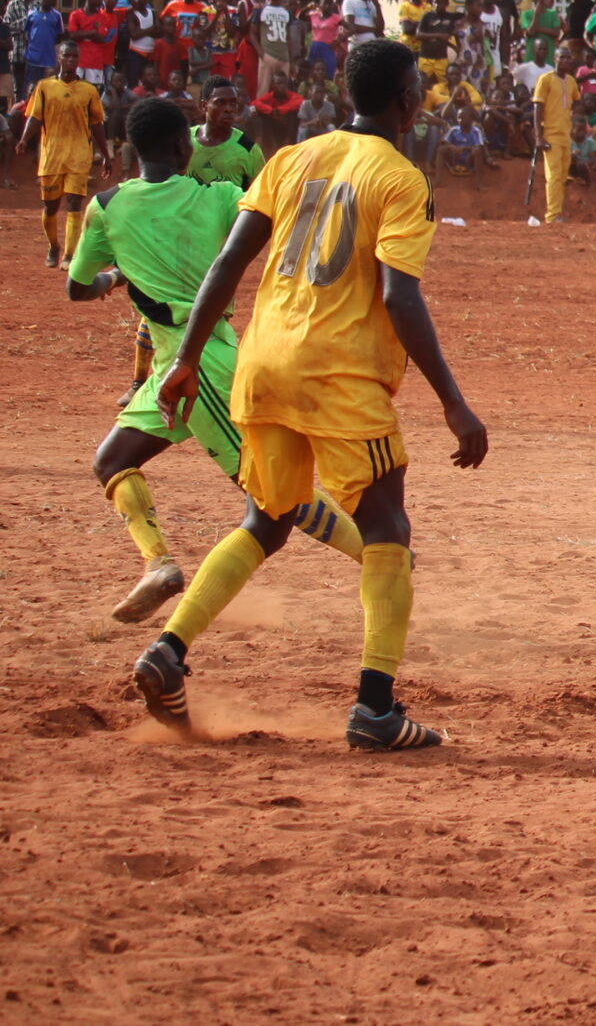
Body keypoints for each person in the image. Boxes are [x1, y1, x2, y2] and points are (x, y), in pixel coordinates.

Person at [133, 36, 489, 750]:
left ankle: (169, 651)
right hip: (338, 371)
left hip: (263, 362)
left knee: (266, 518)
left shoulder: (292, 157)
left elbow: (231, 261)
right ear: (403, 101)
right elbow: (401, 297)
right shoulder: (401, 178)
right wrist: (453, 399)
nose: (422, 95)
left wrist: (187, 358)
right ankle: (376, 708)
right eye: (418, 84)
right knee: (387, 527)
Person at [66, 98, 364, 625]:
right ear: (185, 146)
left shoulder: (105, 207)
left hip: (193, 362)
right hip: (194, 360)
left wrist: (118, 277)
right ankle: (158, 565)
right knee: (112, 461)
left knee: (274, 497)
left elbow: (77, 288)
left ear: (134, 148)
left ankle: (379, 554)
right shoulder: (223, 196)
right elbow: (264, 233)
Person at [22, 39, 107, 267]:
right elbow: (35, 117)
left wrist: (106, 153)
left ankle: (69, 256)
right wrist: (23, 139)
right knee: (50, 206)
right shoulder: (44, 87)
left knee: (74, 203)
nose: (71, 61)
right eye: (66, 56)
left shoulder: (89, 91)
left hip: (79, 155)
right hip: (52, 155)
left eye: (74, 57)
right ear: (59, 57)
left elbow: (97, 124)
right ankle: (54, 246)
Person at [529, 42, 578, 225]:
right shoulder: (545, 79)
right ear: (555, 59)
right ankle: (552, 215)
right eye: (562, 57)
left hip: (566, 134)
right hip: (550, 134)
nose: (565, 61)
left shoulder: (571, 81)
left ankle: (558, 211)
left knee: (563, 175)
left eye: (568, 58)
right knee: (554, 176)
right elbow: (537, 107)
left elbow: (576, 101)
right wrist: (538, 136)